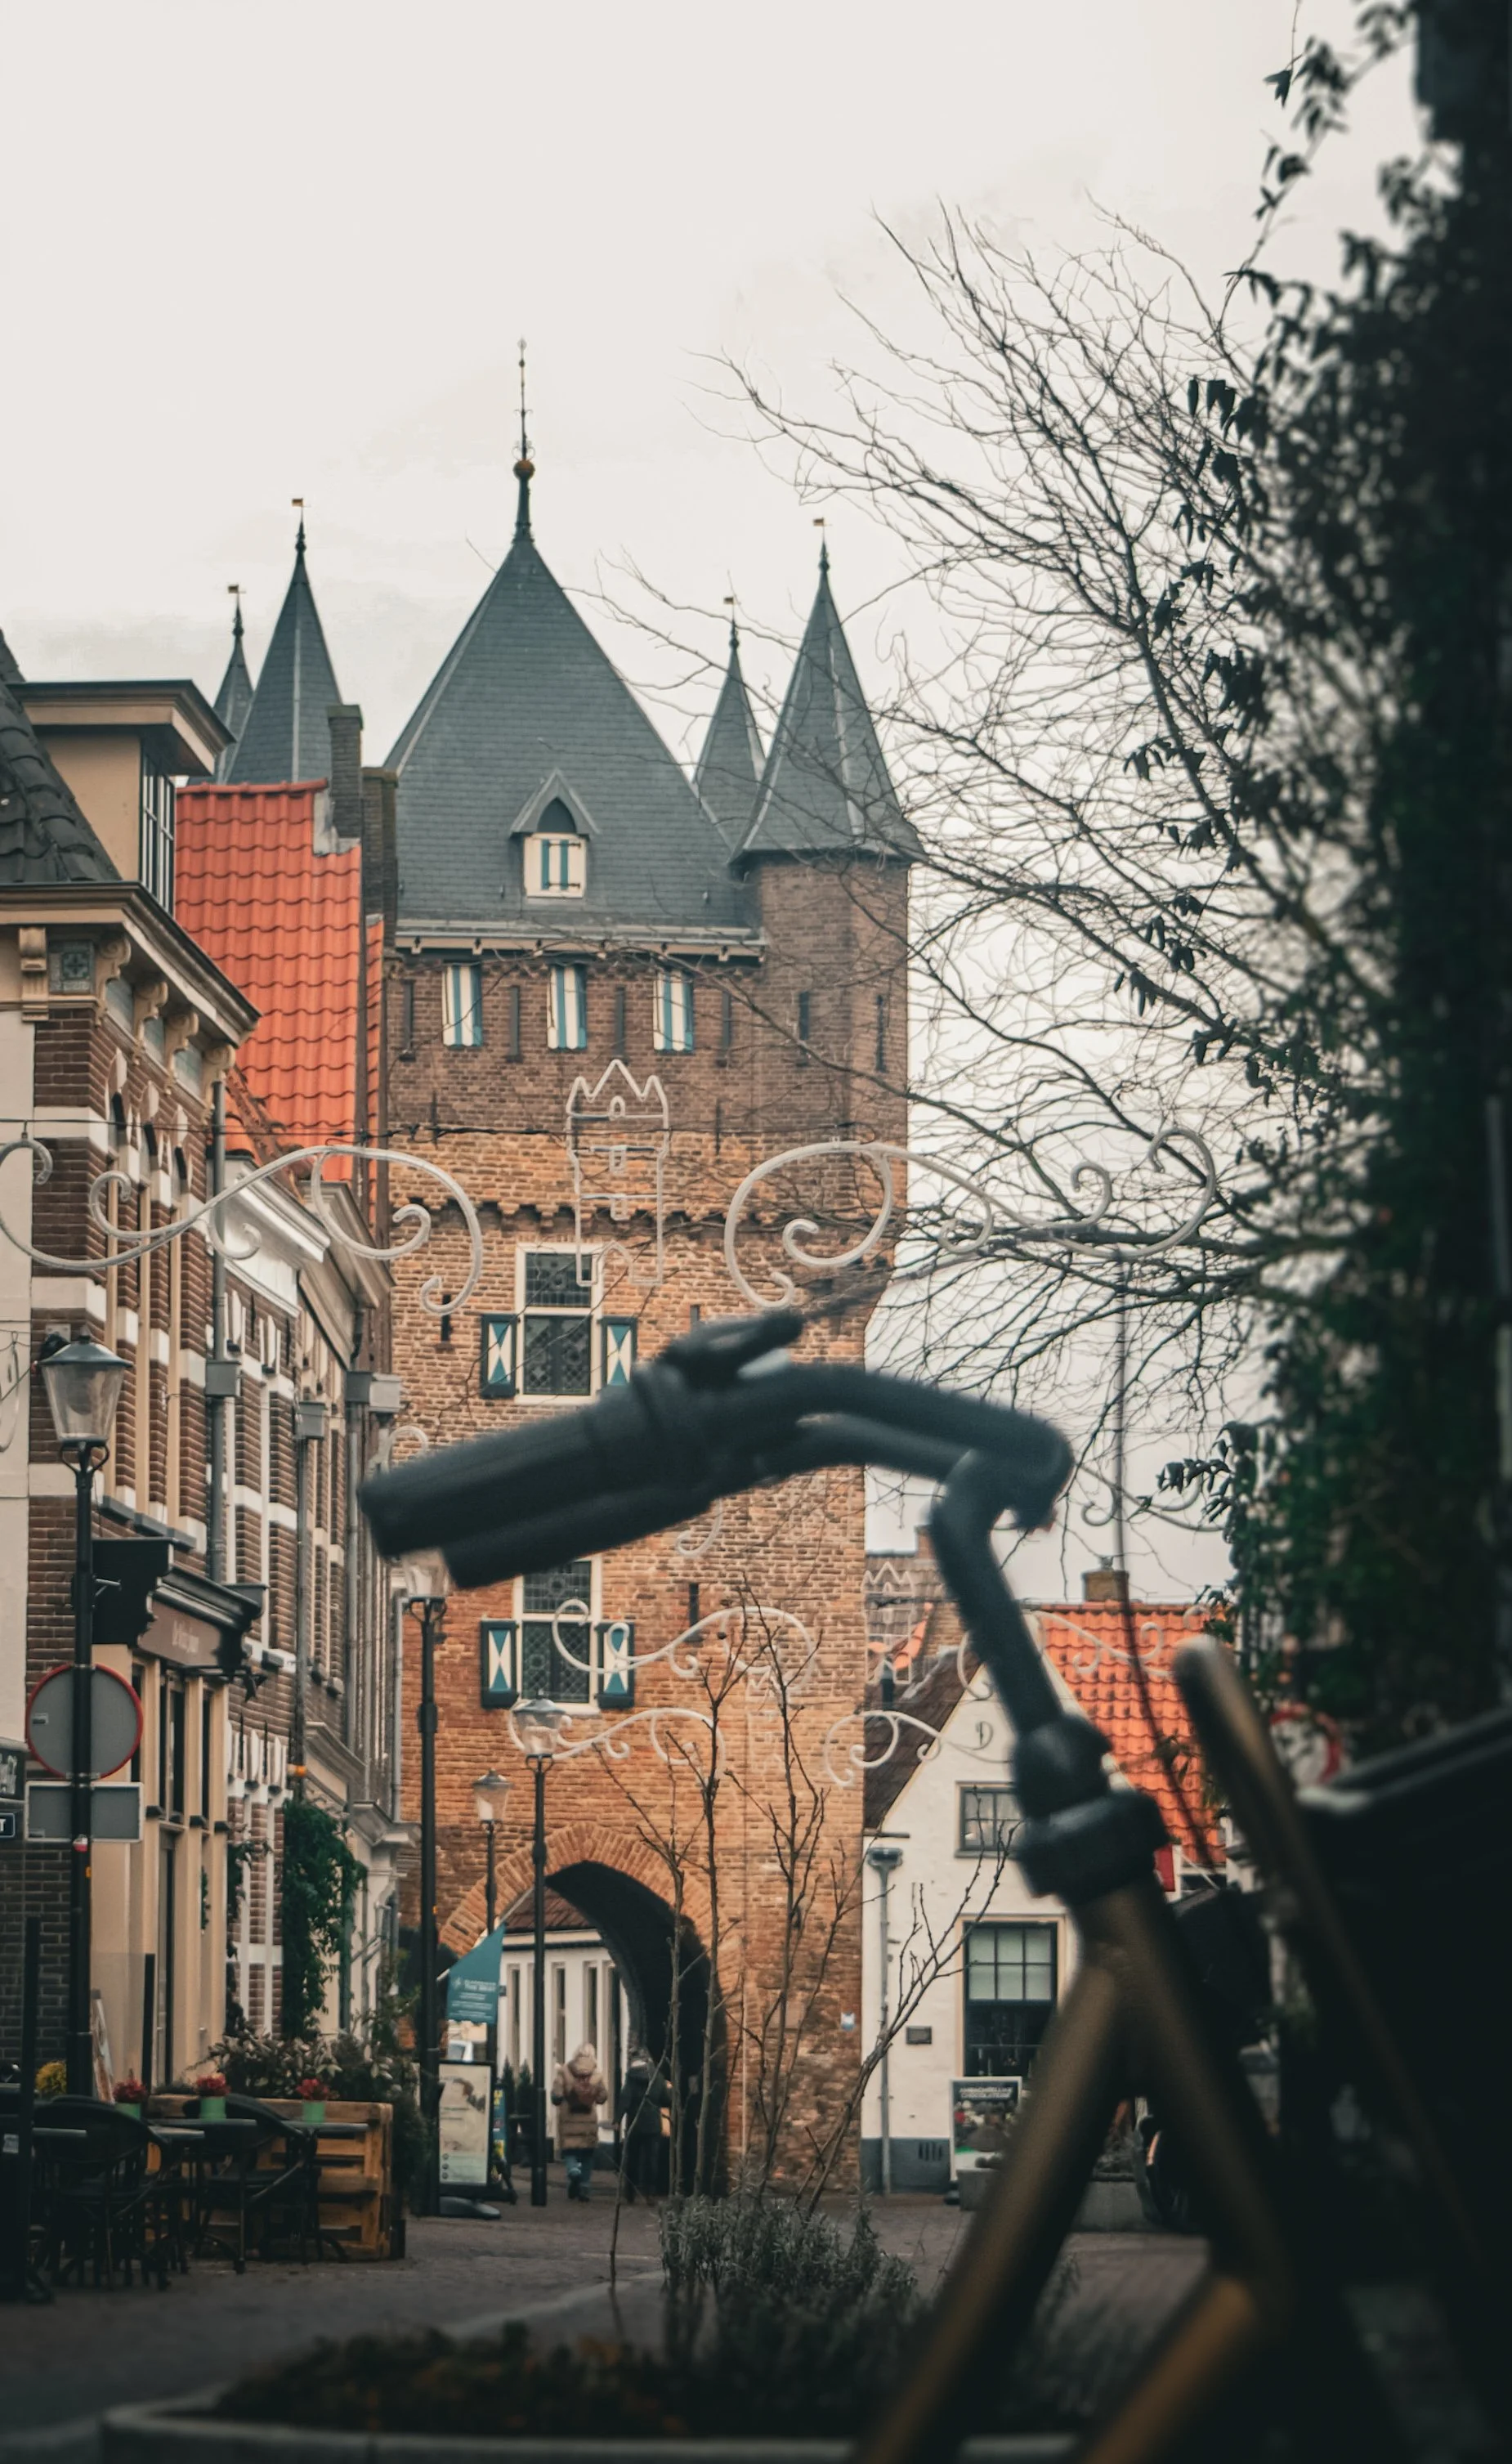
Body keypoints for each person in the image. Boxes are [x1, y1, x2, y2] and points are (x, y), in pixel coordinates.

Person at [551, 2041, 608, 2200]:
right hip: (588, 2122)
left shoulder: (565, 2071)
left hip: (569, 2120)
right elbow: (603, 2097)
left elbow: (556, 2096)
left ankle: (573, 2171)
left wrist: (559, 2096)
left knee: (570, 2151)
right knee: (587, 2155)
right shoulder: (596, 2074)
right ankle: (584, 2187)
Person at [616, 2043, 671, 2203]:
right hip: (653, 2123)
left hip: (635, 2122)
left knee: (632, 2158)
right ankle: (651, 2192)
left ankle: (630, 2192)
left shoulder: (631, 2077)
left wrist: (617, 2119)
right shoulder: (658, 2076)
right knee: (651, 2159)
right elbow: (666, 2099)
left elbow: (626, 2098)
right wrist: (669, 2091)